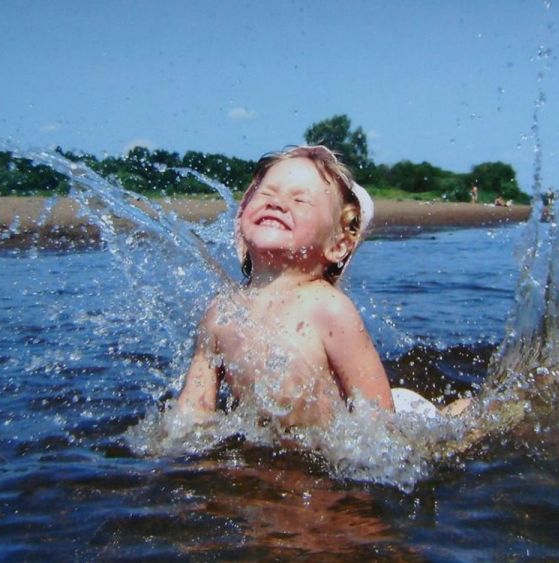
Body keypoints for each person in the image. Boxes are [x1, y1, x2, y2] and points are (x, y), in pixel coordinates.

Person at [173, 145, 457, 433]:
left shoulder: (329, 310)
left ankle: (456, 417)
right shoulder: (220, 312)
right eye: (267, 193)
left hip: (338, 440)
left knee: (449, 433)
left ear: (338, 244)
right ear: (242, 214)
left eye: (300, 200)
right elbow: (195, 405)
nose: (277, 203)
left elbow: (379, 418)